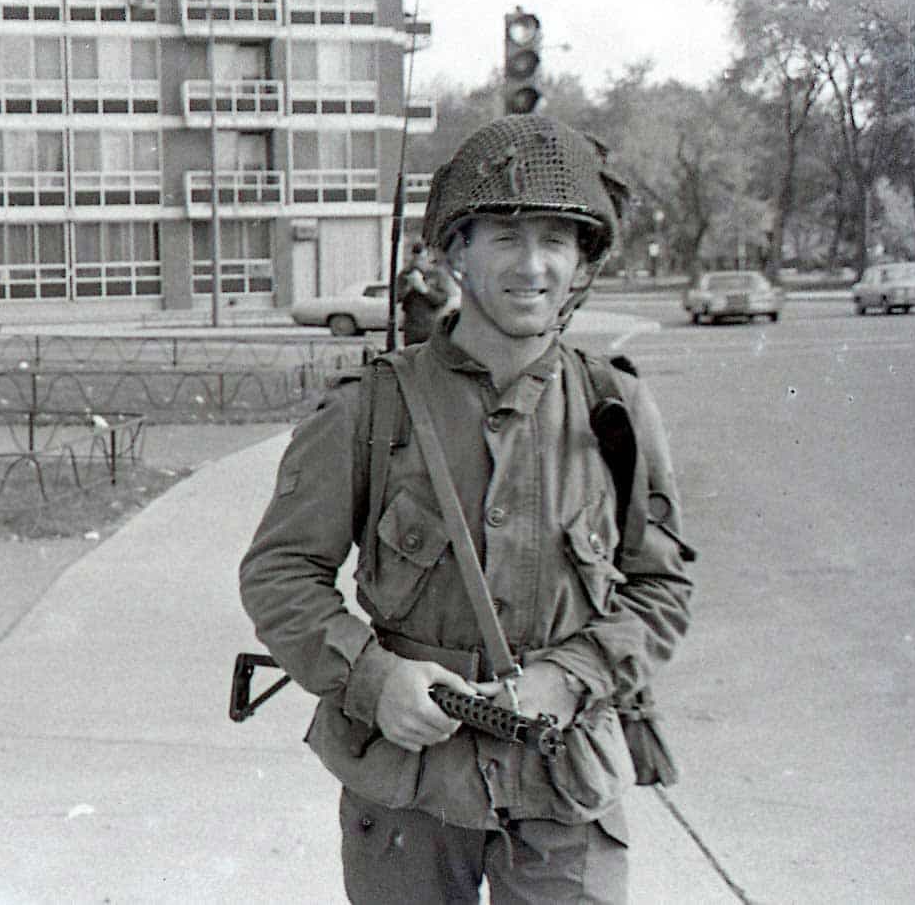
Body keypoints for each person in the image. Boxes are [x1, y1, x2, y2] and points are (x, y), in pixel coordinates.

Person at [239, 113, 694, 904]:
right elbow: (280, 572)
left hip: (565, 784)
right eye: (506, 237)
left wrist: (569, 676)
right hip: (409, 785)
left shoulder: (615, 406)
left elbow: (660, 589)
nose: (534, 265)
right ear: (456, 250)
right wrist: (371, 676)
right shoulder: (369, 407)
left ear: (583, 261)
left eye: (558, 239)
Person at [395, 240, 458, 346]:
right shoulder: (405, 274)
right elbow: (396, 298)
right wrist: (408, 286)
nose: (417, 262)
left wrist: (423, 288)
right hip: (412, 327)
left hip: (431, 326)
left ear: (428, 257)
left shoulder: (438, 274)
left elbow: (442, 300)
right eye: (415, 259)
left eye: (421, 259)